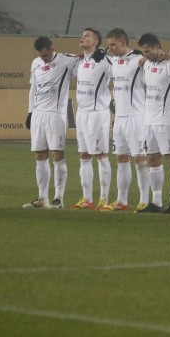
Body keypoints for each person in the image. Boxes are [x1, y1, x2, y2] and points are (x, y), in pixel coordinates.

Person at [23, 36, 75, 209]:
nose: (43, 58)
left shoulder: (66, 60)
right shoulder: (35, 63)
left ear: (52, 48)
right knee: (39, 155)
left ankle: (59, 198)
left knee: (58, 155)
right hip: (38, 114)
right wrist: (30, 112)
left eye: (46, 55)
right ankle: (42, 198)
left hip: (55, 114)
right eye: (41, 55)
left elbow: (85, 61)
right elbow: (33, 88)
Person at [136, 32, 170, 214]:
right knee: (152, 159)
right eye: (143, 52)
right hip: (149, 121)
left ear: (157, 47)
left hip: (167, 120)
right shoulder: (146, 65)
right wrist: (143, 59)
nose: (145, 55)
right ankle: (156, 202)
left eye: (147, 51)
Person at [101, 27, 147, 212]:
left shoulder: (138, 60)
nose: (110, 48)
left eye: (113, 44)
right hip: (119, 118)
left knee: (140, 159)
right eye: (109, 45)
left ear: (123, 42)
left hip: (136, 117)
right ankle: (121, 200)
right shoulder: (112, 62)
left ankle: (144, 200)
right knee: (121, 158)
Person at [70, 28, 113, 210]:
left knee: (101, 156)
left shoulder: (104, 61)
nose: (82, 37)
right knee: (84, 156)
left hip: (97, 113)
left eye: (86, 36)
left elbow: (120, 67)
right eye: (82, 34)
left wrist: (102, 52)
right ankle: (87, 199)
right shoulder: (80, 61)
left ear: (95, 42)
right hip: (82, 113)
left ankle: (104, 199)